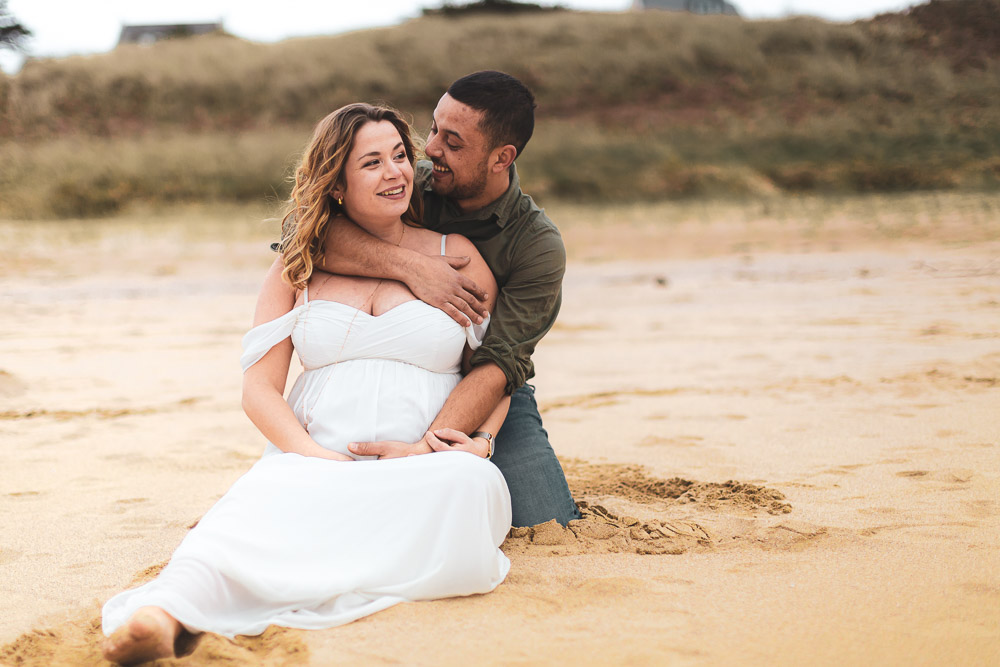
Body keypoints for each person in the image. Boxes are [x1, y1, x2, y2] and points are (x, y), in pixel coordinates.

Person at [101, 103, 512, 665]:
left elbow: (497, 367)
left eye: (399, 156)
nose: (396, 173)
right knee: (259, 502)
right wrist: (313, 457)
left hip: (421, 460)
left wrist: (481, 442)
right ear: (337, 183)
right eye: (372, 162)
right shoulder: (297, 267)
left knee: (465, 484)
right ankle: (162, 616)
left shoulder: (456, 257)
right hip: (317, 448)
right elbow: (259, 389)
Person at [308, 71, 580, 527]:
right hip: (400, 366)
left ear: (501, 158)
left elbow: (500, 361)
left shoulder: (536, 244)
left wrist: (434, 449)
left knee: (543, 522)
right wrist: (412, 266)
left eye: (452, 141)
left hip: (485, 384)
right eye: (434, 128)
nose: (430, 148)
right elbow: (307, 233)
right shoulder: (410, 182)